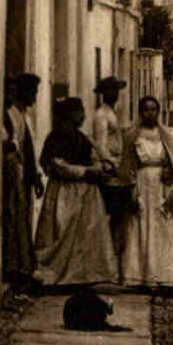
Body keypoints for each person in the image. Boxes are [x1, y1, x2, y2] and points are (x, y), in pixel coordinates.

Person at [35, 97, 117, 287]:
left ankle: (83, 275)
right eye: (79, 111)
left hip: (86, 192)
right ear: (69, 114)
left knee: (86, 233)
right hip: (65, 191)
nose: (83, 115)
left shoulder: (82, 137)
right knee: (63, 230)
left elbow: (95, 156)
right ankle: (58, 273)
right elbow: (56, 165)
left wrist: (101, 166)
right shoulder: (56, 137)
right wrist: (86, 171)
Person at [120, 95, 173, 298]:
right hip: (142, 183)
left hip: (161, 185)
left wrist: (169, 170)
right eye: (146, 110)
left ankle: (166, 278)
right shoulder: (132, 135)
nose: (151, 113)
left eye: (154, 110)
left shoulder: (165, 134)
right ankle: (140, 277)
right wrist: (131, 189)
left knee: (164, 228)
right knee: (141, 227)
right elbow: (127, 164)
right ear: (140, 112)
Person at [2, 73, 43, 291]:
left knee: (22, 219)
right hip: (13, 173)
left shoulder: (23, 116)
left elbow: (29, 149)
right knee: (13, 218)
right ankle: (14, 267)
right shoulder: (11, 114)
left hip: (22, 173)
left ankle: (23, 266)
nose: (35, 97)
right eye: (32, 92)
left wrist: (35, 174)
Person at [92, 76, 131, 259]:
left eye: (115, 90)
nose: (113, 94)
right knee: (112, 215)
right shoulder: (101, 115)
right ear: (103, 93)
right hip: (110, 170)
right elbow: (100, 144)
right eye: (109, 90)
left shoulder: (112, 113)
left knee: (120, 216)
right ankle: (107, 255)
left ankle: (115, 254)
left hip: (118, 167)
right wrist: (111, 165)